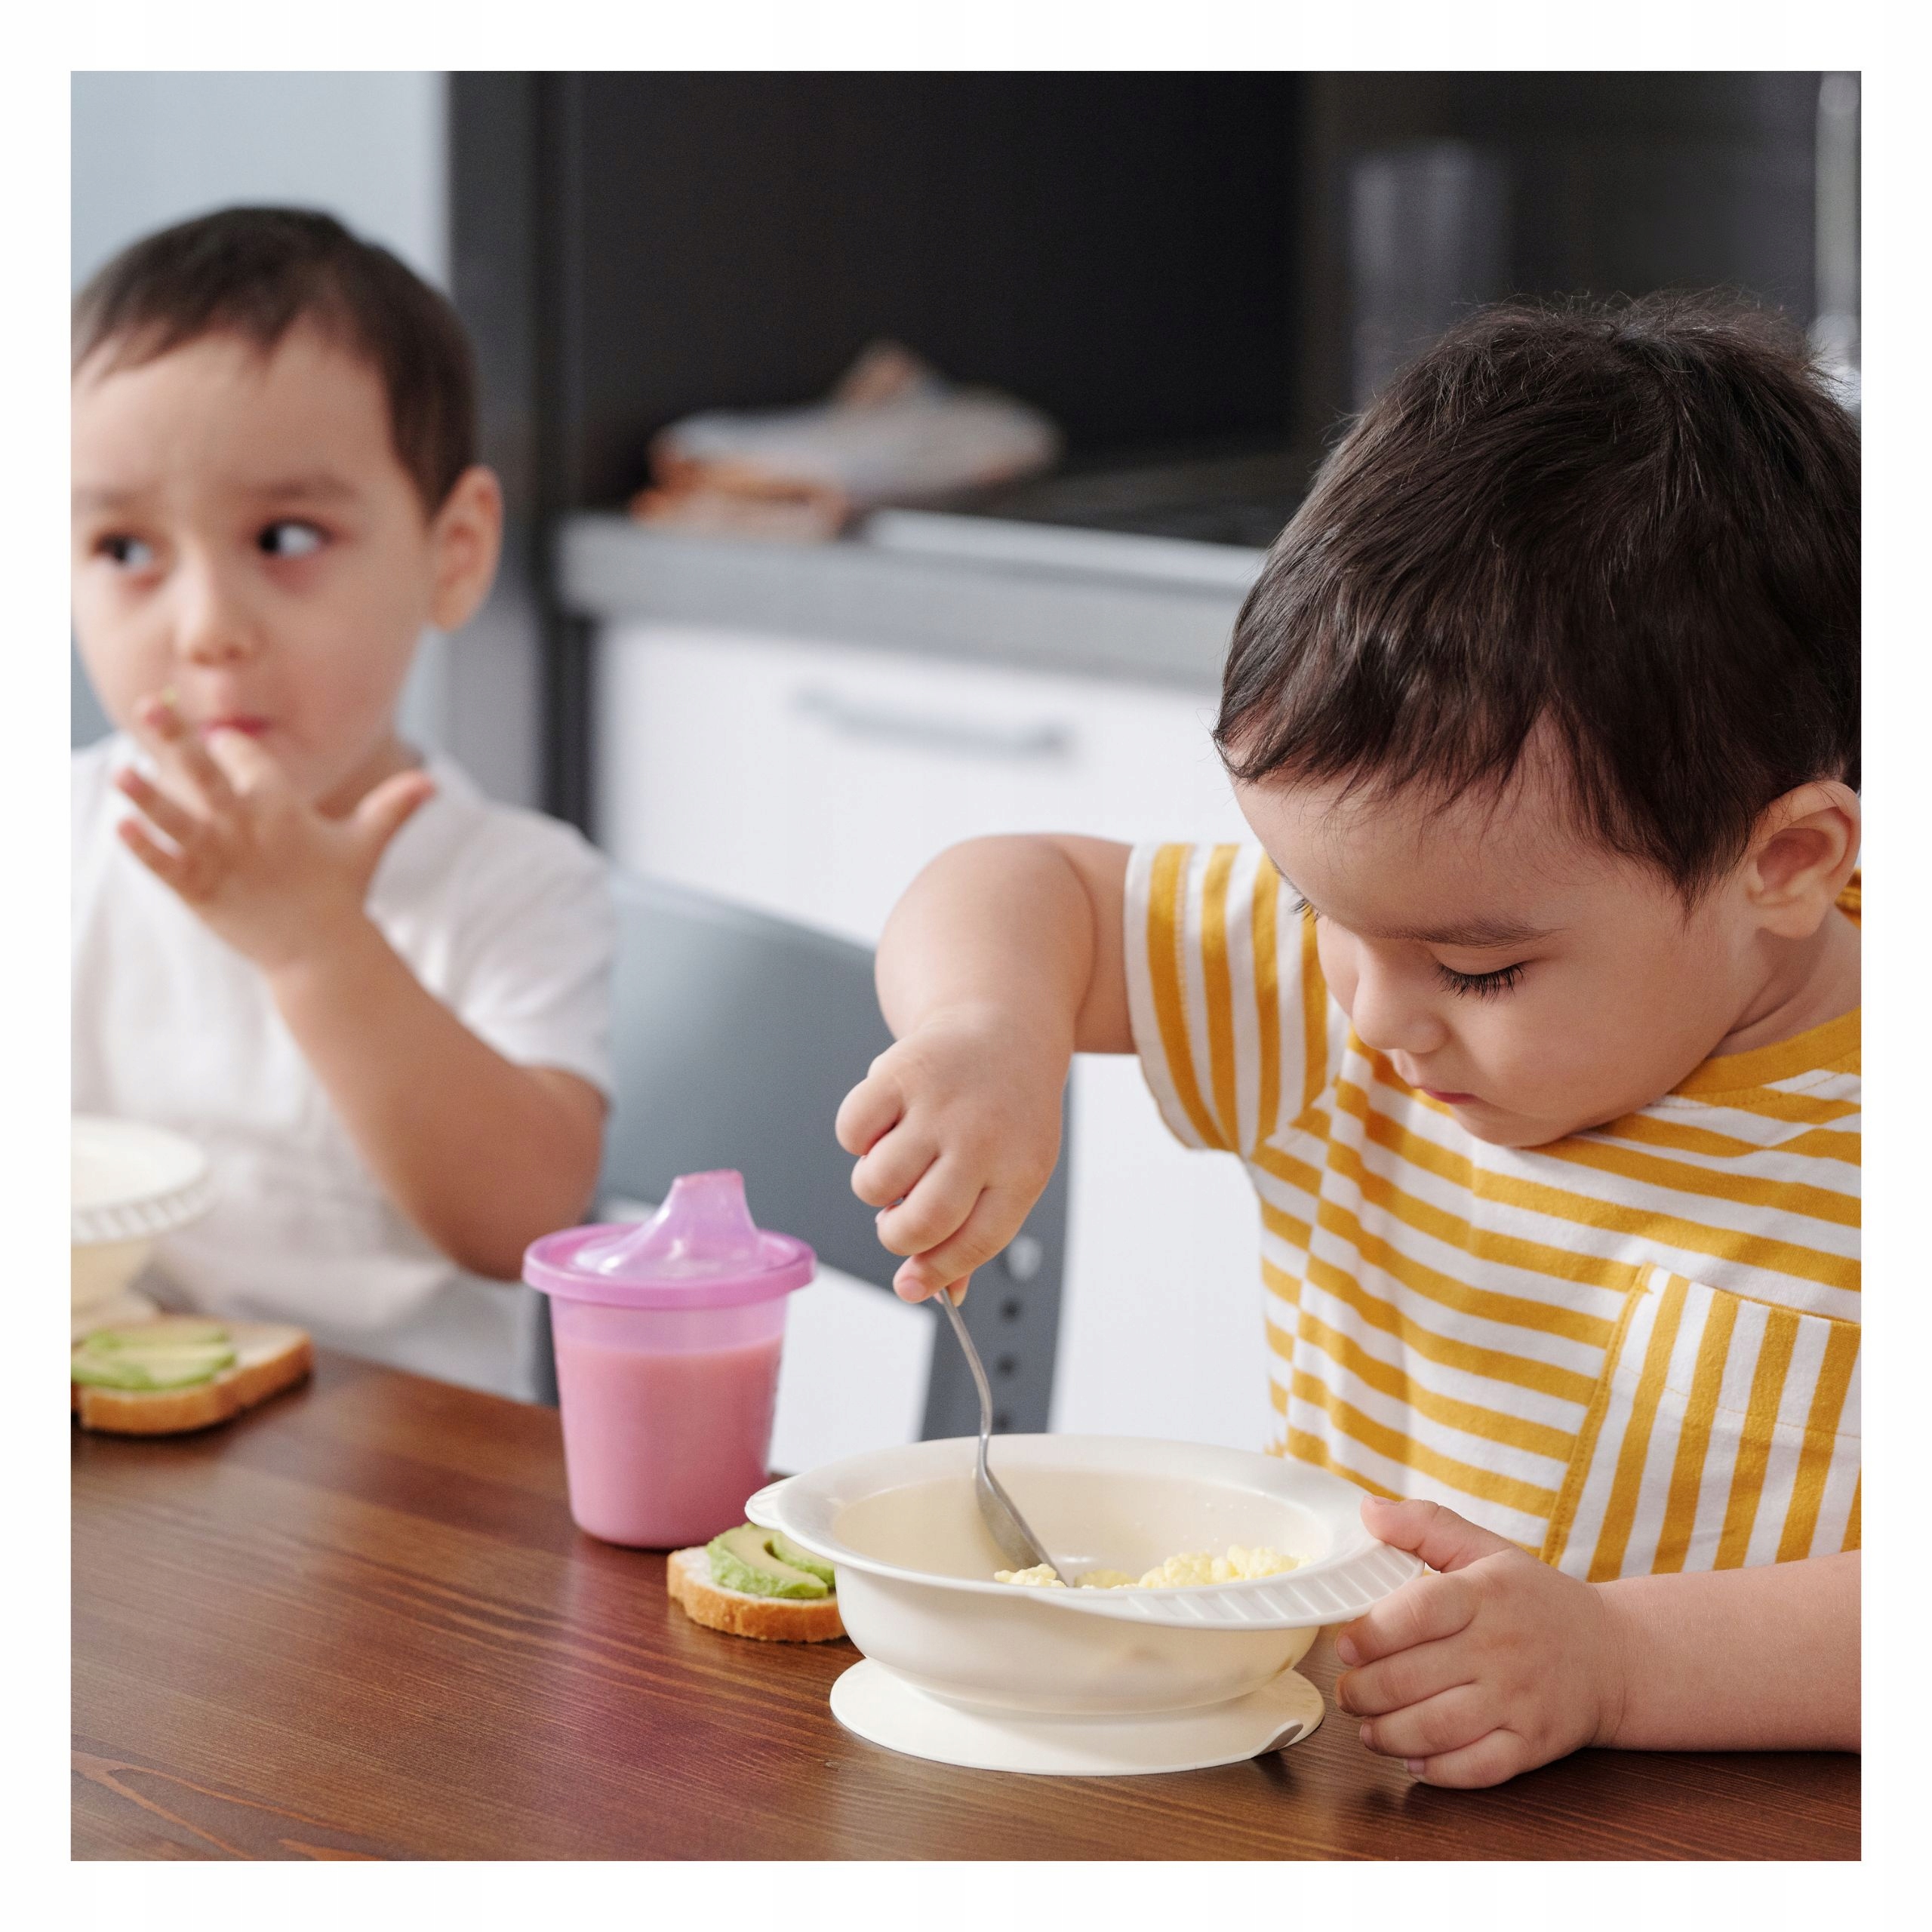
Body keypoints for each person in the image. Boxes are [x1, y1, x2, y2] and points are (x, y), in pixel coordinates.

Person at [837, 296, 1860, 1786]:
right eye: (1320, 912)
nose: (1375, 1020)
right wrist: (990, 1026)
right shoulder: (1357, 967)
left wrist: (1619, 1658)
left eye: (1478, 968)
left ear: (1782, 864)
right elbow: (1022, 881)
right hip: (1357, 1800)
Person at [72, 208, 614, 1400]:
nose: (207, 627)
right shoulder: (52, 842)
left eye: (286, 535)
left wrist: (314, 943)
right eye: (124, 550)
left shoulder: (516, 884)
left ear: (453, 552)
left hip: (410, 1511)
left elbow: (522, 1221)